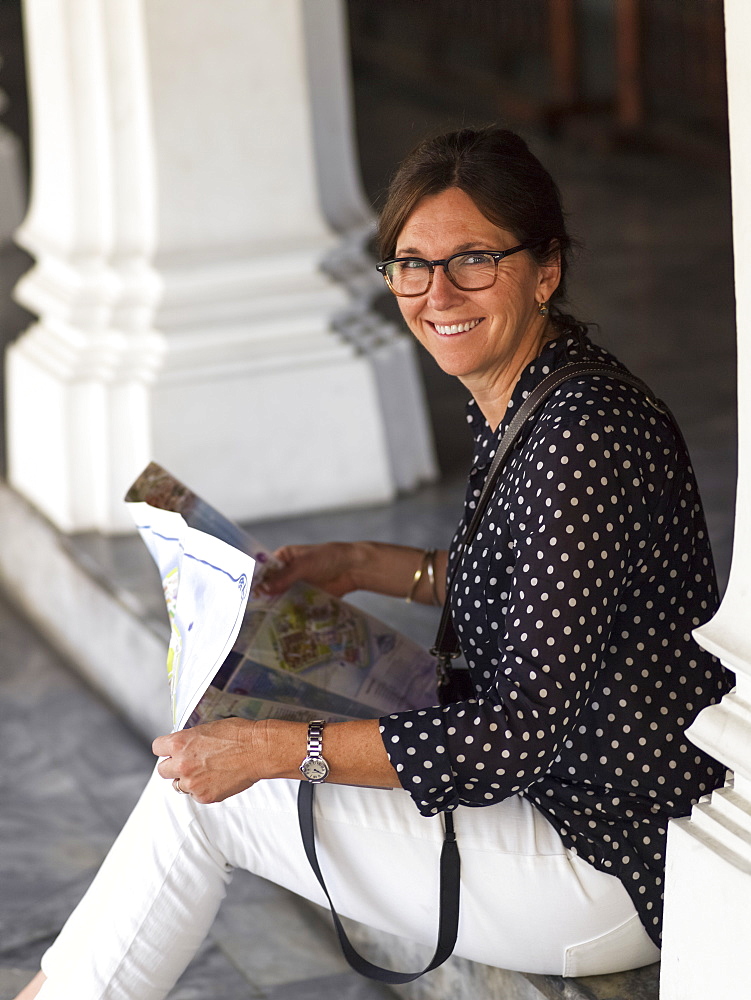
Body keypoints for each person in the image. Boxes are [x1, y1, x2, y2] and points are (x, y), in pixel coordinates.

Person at [17, 126, 730, 999]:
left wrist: (283, 749)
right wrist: (359, 561)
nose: (437, 292)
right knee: (217, 767)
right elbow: (532, 581)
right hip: (564, 799)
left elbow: (513, 736)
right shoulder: (534, 393)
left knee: (210, 793)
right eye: (410, 263)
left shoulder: (580, 433)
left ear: (545, 269)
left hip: (607, 851)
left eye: (474, 259)